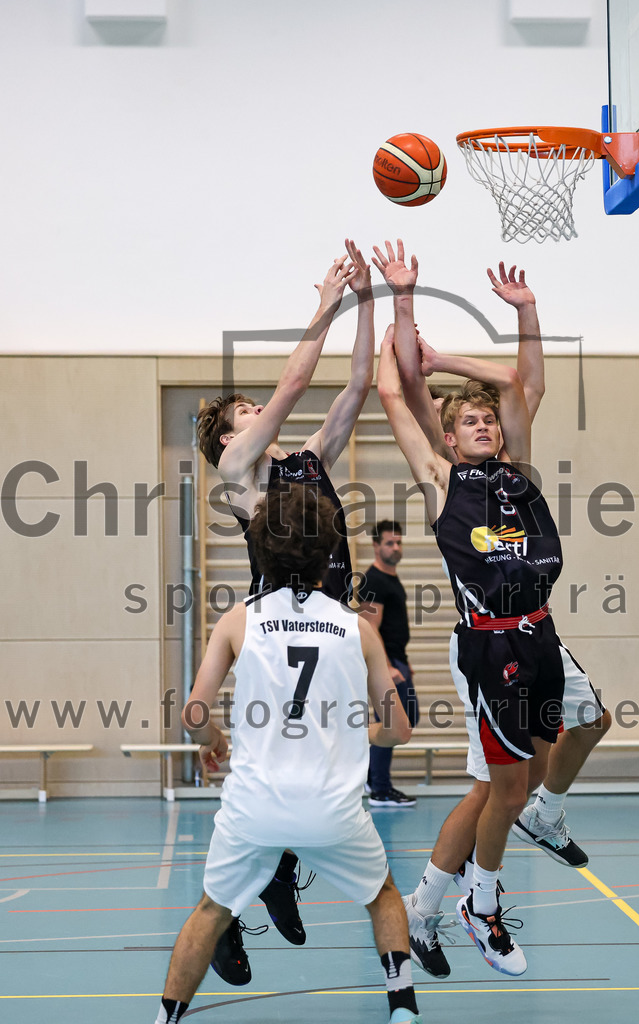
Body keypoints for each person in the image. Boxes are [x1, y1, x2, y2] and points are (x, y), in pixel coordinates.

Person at [372, 242, 609, 922]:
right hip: (486, 642)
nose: (483, 424)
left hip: (538, 632)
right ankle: (456, 904)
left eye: (488, 420)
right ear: (448, 440)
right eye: (467, 421)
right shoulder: (443, 480)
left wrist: (526, 311)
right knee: (496, 791)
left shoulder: (517, 471)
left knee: (583, 727)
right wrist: (401, 300)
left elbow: (520, 384)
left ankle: (541, 818)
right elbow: (395, 389)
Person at [152, 486, 421, 1024]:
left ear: (260, 550)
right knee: (385, 896)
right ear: (329, 554)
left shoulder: (238, 620)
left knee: (210, 910)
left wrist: (214, 742)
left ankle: (166, 1019)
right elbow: (398, 730)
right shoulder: (358, 629)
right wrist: (357, 732)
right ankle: (403, 1008)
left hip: (255, 810)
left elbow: (194, 714)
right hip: (332, 812)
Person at [195, 240, 375, 976]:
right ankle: (229, 913)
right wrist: (326, 304)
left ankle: (274, 875)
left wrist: (366, 304)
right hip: (276, 627)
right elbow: (297, 381)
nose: (261, 410)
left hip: (330, 623)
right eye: (248, 410)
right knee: (272, 773)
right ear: (229, 437)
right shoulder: (238, 468)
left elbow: (357, 384)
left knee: (320, 762)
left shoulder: (308, 461)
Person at [358, 520, 420, 807]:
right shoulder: (374, 581)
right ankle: (380, 788)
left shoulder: (389, 579)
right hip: (388, 663)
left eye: (398, 542)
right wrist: (386, 667)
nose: (396, 547)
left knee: (407, 717)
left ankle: (373, 778)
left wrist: (403, 663)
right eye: (389, 543)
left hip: (397, 659)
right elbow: (370, 627)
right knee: (392, 722)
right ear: (375, 545)